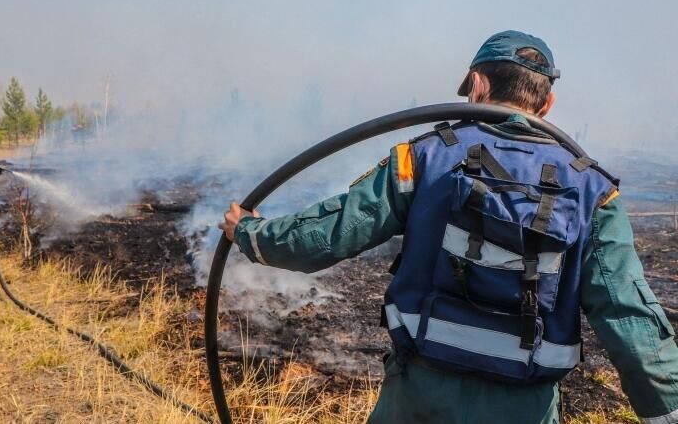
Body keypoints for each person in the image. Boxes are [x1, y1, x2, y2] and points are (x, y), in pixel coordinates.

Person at [219, 31, 678, 423]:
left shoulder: (425, 157)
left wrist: (251, 233)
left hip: (419, 399)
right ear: (548, 101)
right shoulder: (593, 191)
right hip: (526, 407)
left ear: (478, 84)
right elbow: (629, 317)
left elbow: (328, 234)